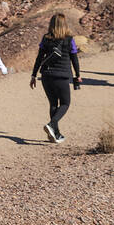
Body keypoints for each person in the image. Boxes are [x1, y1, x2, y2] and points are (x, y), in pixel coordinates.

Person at [29, 14, 82, 143]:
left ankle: (55, 134)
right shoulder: (69, 39)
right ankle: (52, 124)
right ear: (64, 24)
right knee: (65, 103)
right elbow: (74, 58)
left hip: (46, 76)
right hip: (62, 77)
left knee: (53, 104)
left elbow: (39, 58)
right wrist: (77, 75)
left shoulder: (46, 39)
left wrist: (34, 75)